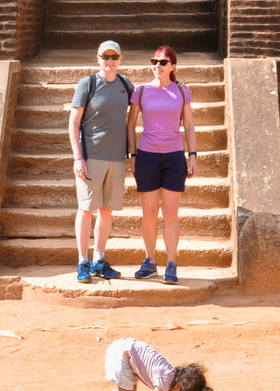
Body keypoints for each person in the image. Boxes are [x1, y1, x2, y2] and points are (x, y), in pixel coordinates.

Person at [127, 45, 196, 283]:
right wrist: (133, 155)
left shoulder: (182, 90)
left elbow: (188, 125)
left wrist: (193, 155)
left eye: (163, 62)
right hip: (147, 156)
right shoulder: (141, 90)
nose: (157, 66)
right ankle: (150, 261)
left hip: (174, 157)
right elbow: (131, 124)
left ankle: (171, 264)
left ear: (173, 66)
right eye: (154, 61)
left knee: (170, 212)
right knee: (148, 213)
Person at [69, 39, 134, 283]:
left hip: (117, 157)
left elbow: (137, 110)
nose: (109, 61)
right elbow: (74, 122)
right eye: (105, 57)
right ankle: (83, 262)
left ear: (119, 59)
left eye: (113, 57)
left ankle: (99, 260)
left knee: (106, 211)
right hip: (91, 156)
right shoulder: (88, 84)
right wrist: (78, 157)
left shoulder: (125, 84)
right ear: (98, 58)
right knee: (86, 210)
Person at [104, 337, 210, 391]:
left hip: (127, 350)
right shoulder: (164, 381)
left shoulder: (169, 375)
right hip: (122, 354)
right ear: (178, 386)